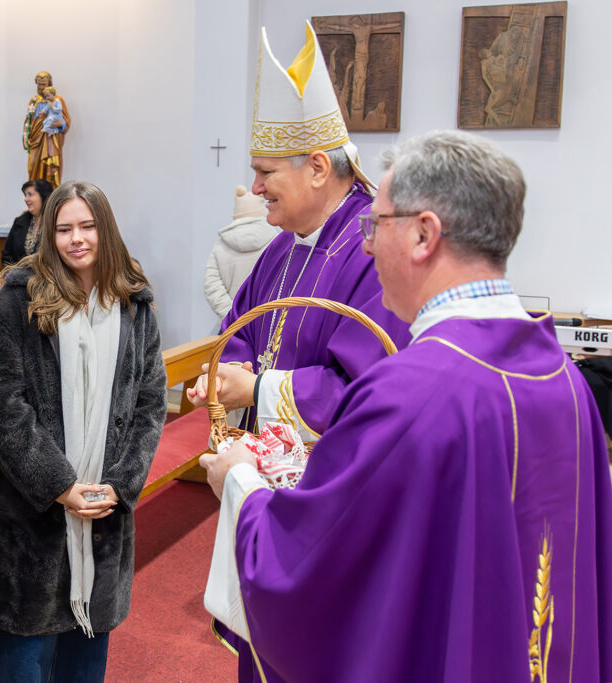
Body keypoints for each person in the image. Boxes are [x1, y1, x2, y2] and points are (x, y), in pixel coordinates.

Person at [199, 131, 612, 681]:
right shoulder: (564, 379)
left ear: (423, 234)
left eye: (375, 226)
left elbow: (309, 569)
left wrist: (240, 483)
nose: (367, 247)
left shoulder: (410, 396)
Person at [0, 181, 166, 683]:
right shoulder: (16, 300)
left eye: (87, 226)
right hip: (28, 526)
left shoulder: (133, 304)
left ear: (106, 230)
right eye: (63, 229)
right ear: (48, 234)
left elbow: (149, 403)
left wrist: (120, 485)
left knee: (83, 670)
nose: (76, 239)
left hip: (101, 517)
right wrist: (60, 485)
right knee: (23, 668)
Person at [188, 22, 410, 440]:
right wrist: (231, 369)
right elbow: (239, 328)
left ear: (318, 168)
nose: (256, 188)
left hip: (332, 466)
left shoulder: (375, 250)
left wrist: (257, 389)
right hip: (264, 454)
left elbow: (368, 388)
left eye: (266, 172)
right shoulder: (283, 246)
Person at [203, 186, 278, 320]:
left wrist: (232, 316)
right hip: (264, 322)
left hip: (230, 324)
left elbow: (211, 285)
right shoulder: (276, 242)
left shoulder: (221, 244)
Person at [23, 71, 70, 187]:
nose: (41, 87)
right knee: (32, 165)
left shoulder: (58, 100)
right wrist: (25, 136)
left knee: (50, 168)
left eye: (44, 84)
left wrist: (60, 124)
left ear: (49, 84)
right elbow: (28, 120)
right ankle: (34, 192)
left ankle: (50, 194)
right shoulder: (34, 100)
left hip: (50, 139)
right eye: (39, 84)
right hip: (35, 139)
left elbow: (65, 120)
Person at [2, 179, 54, 266]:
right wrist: (14, 272)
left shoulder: (55, 222)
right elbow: (7, 256)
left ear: (43, 196)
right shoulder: (19, 222)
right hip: (17, 273)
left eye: (30, 194)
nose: (26, 199)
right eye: (25, 195)